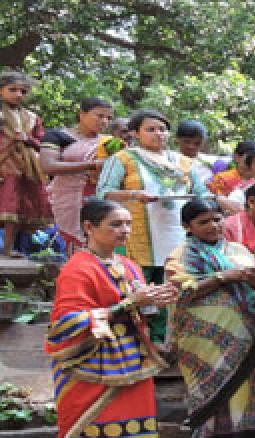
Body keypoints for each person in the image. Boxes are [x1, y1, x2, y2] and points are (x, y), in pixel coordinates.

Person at [45, 199, 178, 438]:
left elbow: (135, 307)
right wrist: (127, 304)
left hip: (131, 362)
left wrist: (152, 302)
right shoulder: (78, 269)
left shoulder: (127, 264)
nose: (125, 231)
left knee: (137, 434)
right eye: (115, 225)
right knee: (98, 432)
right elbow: (67, 323)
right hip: (92, 366)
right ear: (89, 227)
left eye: (128, 224)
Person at [166, 198, 255, 438]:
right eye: (203, 222)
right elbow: (181, 291)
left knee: (245, 389)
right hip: (203, 337)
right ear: (186, 226)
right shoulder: (181, 254)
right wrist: (226, 277)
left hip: (244, 331)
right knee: (211, 387)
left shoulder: (237, 250)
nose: (213, 226)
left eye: (217, 219)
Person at [96, 108, 210, 341]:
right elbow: (104, 193)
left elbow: (201, 194)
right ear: (136, 133)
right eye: (150, 129)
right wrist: (134, 194)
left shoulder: (183, 162)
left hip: (177, 232)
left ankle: (172, 341)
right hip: (138, 234)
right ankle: (141, 341)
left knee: (175, 285)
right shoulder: (123, 159)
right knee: (141, 286)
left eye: (162, 129)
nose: (158, 134)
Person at [40, 97, 115, 253]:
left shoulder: (108, 143)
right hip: (66, 199)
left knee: (96, 236)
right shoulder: (57, 136)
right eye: (99, 116)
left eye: (108, 118)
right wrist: (92, 164)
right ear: (81, 114)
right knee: (67, 240)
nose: (104, 121)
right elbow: (48, 166)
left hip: (98, 199)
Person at [0, 71, 52, 257]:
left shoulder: (32, 117)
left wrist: (27, 139)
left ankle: (8, 249)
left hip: (26, 166)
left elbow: (42, 142)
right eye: (12, 90)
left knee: (15, 207)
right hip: (4, 163)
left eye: (22, 91)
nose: (18, 94)